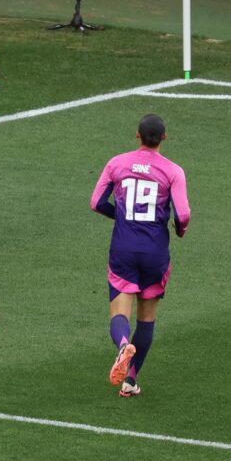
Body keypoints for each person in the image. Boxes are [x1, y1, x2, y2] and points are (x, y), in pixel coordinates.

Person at [90, 114, 191, 397]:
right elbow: (182, 214)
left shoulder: (117, 163)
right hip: (155, 251)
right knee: (146, 319)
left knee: (119, 313)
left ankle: (123, 345)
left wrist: (121, 216)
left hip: (123, 248)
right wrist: (180, 230)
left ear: (137, 135)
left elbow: (96, 203)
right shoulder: (173, 171)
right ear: (164, 138)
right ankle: (131, 380)